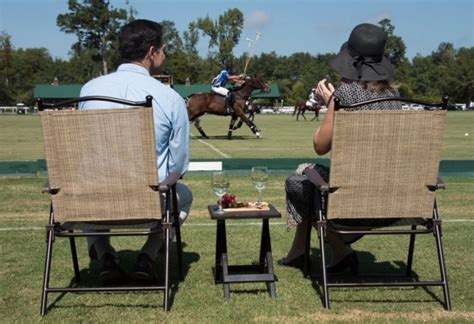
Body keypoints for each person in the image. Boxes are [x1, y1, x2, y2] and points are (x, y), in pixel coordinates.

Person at [279, 23, 402, 273]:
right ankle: (299, 252)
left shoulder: (345, 94)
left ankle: (340, 250)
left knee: (298, 182)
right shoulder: (394, 96)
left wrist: (331, 102)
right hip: (395, 200)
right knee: (306, 174)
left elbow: (319, 145)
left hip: (352, 203)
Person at [79, 19, 192, 282]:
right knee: (183, 195)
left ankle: (104, 254)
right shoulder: (168, 98)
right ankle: (148, 256)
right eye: (164, 49)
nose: (164, 54)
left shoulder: (88, 90)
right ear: (152, 52)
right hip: (146, 203)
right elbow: (178, 166)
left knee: (80, 188)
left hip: (90, 202)